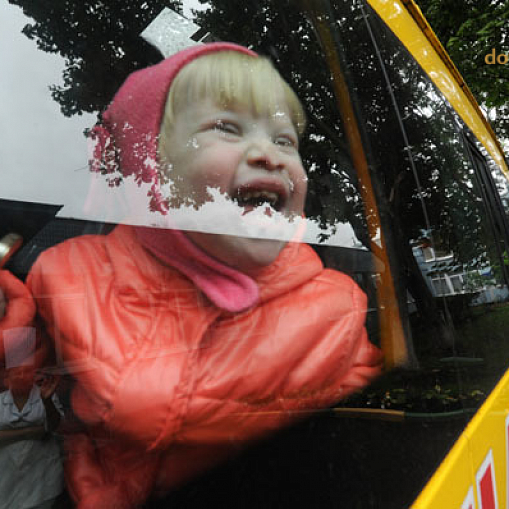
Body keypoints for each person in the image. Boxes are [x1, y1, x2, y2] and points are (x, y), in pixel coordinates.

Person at [0, 42, 382, 507]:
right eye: (226, 127)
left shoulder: (331, 304)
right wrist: (16, 333)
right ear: (149, 164)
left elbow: (152, 410)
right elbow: (26, 384)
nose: (270, 153)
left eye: (285, 140)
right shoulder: (68, 267)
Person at [0, 330, 64, 509]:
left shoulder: (45, 397)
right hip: (7, 483)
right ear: (7, 377)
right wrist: (30, 431)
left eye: (26, 371)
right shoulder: (0, 402)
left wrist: (46, 401)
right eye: (16, 372)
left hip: (42, 482)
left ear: (33, 374)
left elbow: (53, 428)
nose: (21, 376)